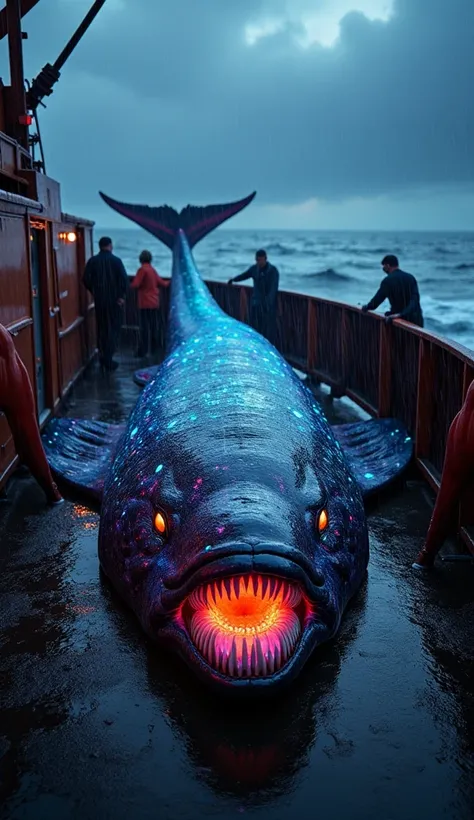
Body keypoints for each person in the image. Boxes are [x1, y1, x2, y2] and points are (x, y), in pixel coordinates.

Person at [82, 236, 129, 371]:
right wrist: (120, 296)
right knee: (114, 329)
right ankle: (108, 358)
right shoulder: (116, 261)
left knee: (102, 329)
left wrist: (94, 291)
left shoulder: (93, 261)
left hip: (100, 301)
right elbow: (124, 280)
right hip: (114, 302)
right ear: (110, 245)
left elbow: (85, 279)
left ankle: (103, 356)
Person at [228, 249, 279, 344]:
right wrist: (234, 280)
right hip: (256, 303)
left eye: (260, 260)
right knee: (255, 326)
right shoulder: (254, 269)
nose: (258, 262)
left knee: (267, 330)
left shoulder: (272, 271)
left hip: (267, 306)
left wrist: (268, 304)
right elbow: (244, 275)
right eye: (257, 260)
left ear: (265, 259)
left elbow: (273, 289)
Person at [361, 255, 423, 327]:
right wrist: (403, 313)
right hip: (416, 320)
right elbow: (415, 300)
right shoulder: (410, 278)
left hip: (399, 321)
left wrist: (367, 307)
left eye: (383, 266)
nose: (383, 269)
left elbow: (377, 300)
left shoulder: (387, 281)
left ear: (388, 265)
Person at [130, 250, 170, 357]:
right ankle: (155, 348)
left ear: (140, 259)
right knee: (153, 326)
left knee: (144, 327)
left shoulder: (142, 270)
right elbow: (163, 283)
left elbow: (135, 284)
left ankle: (142, 351)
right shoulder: (152, 270)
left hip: (144, 303)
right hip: (154, 302)